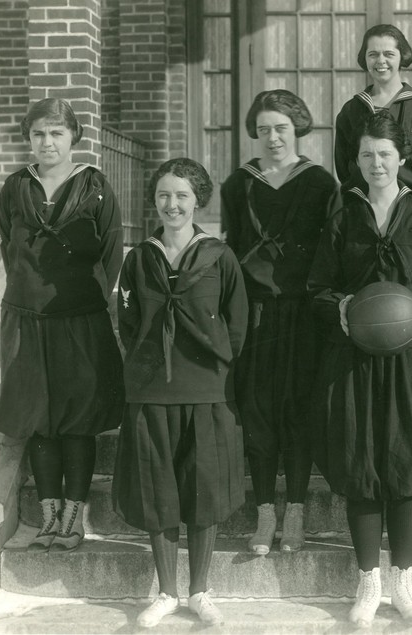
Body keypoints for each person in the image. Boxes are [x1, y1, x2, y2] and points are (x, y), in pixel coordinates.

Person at [308, 111, 412, 627]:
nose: (376, 163)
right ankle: (368, 578)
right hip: (353, 361)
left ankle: (404, 579)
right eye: (367, 155)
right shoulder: (341, 214)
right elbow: (318, 289)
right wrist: (343, 308)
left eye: (385, 155)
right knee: (361, 465)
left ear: (403, 158)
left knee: (406, 464)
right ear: (356, 159)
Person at [112, 158, 248, 628]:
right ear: (155, 201)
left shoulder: (219, 256)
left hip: (207, 389)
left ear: (199, 201)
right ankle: (167, 592)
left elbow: (238, 322)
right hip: (151, 391)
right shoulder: (139, 257)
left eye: (182, 196)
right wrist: (150, 366)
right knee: (158, 490)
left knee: (203, 490)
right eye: (164, 195)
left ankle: (199, 591)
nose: (172, 204)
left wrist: (215, 368)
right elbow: (127, 323)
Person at [0, 97, 124, 553]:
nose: (47, 142)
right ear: (28, 138)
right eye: (38, 134)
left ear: (73, 138)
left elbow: (111, 251)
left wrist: (98, 304)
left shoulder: (95, 185)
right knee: (39, 421)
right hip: (28, 322)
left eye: (56, 133)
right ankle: (48, 518)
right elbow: (10, 246)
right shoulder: (15, 187)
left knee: (77, 422)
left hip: (80, 321)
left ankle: (74, 517)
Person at [221, 90, 339, 555]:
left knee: (298, 412)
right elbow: (232, 248)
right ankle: (265, 512)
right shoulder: (239, 184)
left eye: (282, 129)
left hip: (303, 315)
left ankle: (296, 511)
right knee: (259, 413)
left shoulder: (319, 184)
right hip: (255, 314)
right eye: (265, 129)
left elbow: (329, 251)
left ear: (297, 130)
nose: (272, 137)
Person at [334, 23, 412, 194]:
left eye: (389, 54)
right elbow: (344, 167)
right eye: (373, 54)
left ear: (402, 57)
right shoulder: (351, 110)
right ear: (365, 58)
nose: (380, 61)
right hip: (364, 204)